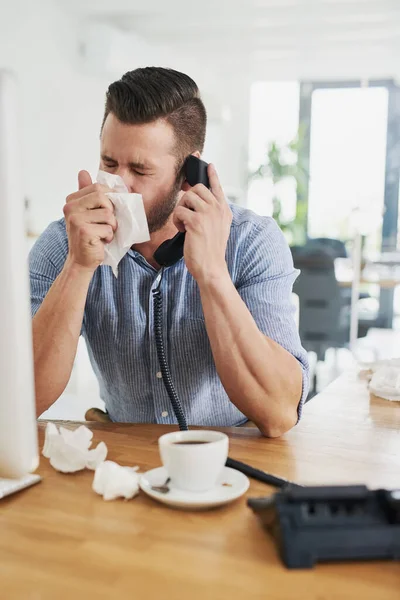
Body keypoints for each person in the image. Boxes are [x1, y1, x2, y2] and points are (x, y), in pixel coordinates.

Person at [30, 67, 309, 437]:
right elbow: (19, 398)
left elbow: (279, 413)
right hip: (126, 459)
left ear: (187, 173)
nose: (118, 186)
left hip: (233, 456)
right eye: (109, 164)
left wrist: (211, 273)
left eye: (141, 170)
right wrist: (78, 267)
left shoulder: (252, 241)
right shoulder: (63, 244)